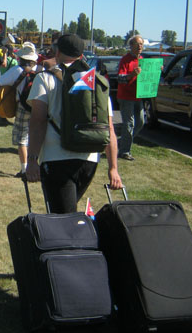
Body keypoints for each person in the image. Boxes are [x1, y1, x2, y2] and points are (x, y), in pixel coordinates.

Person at [25, 33, 122, 214]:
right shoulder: (96, 81)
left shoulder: (45, 78)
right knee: (66, 213)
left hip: (56, 159)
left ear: (58, 51)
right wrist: (113, 168)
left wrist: (31, 159)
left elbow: (37, 121)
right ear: (81, 54)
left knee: (63, 220)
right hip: (89, 160)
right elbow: (109, 128)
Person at [0, 43, 40, 178]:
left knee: (22, 138)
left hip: (23, 106)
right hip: (41, 106)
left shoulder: (17, 69)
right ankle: (38, 166)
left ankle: (24, 169)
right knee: (38, 136)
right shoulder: (41, 69)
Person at [116, 35, 146, 161]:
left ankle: (121, 142)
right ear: (131, 45)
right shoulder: (125, 60)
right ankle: (124, 151)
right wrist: (131, 75)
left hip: (138, 96)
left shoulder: (143, 60)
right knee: (129, 124)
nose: (140, 47)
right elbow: (120, 78)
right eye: (137, 44)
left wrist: (156, 70)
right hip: (126, 97)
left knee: (140, 122)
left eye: (141, 44)